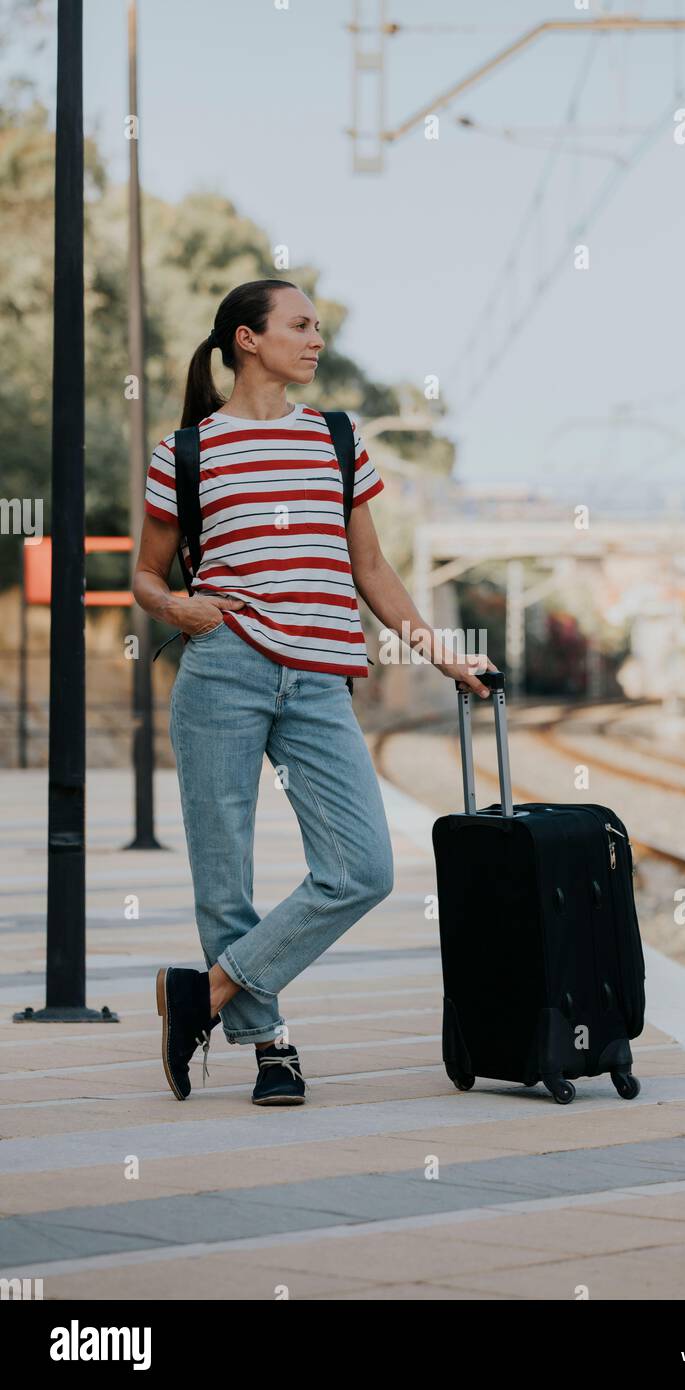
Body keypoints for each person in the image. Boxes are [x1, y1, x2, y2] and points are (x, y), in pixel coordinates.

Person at [132, 278, 494, 1106]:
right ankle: (269, 1048)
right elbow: (146, 576)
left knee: (363, 867)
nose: (316, 339)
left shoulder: (336, 439)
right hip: (222, 664)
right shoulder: (185, 451)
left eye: (319, 327)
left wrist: (443, 656)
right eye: (300, 325)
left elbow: (372, 569)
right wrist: (179, 606)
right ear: (246, 340)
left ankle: (206, 994)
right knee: (224, 874)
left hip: (322, 678)